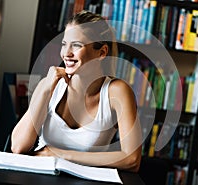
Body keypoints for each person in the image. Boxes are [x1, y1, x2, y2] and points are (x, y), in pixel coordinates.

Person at [11, 11, 142, 172]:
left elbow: (132, 159)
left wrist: (61, 155)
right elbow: (17, 147)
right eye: (64, 44)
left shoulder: (117, 92)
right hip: (40, 176)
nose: (66, 53)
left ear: (102, 53)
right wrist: (45, 89)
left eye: (77, 45)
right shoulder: (50, 84)